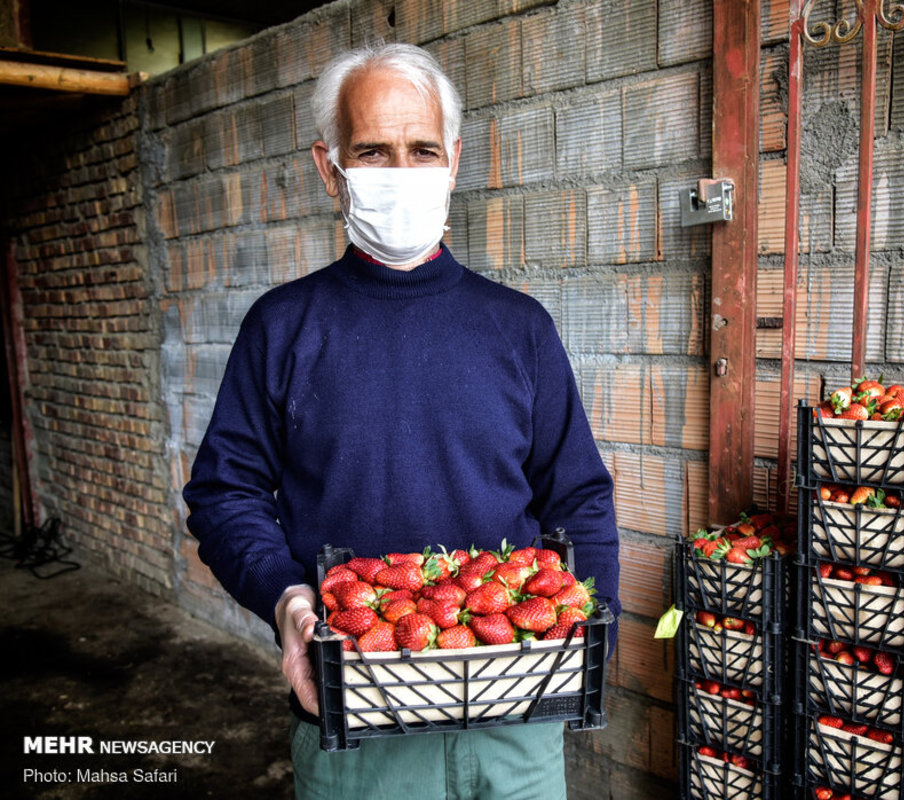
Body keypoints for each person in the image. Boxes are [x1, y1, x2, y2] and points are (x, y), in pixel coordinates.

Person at [182, 42, 620, 800]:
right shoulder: (282, 328)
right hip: (355, 717)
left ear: (452, 160)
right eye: (373, 152)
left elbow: (577, 496)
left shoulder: (518, 328)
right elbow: (226, 494)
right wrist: (289, 602)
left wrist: (583, 637)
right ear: (330, 169)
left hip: (513, 715)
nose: (400, 171)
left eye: (420, 150)